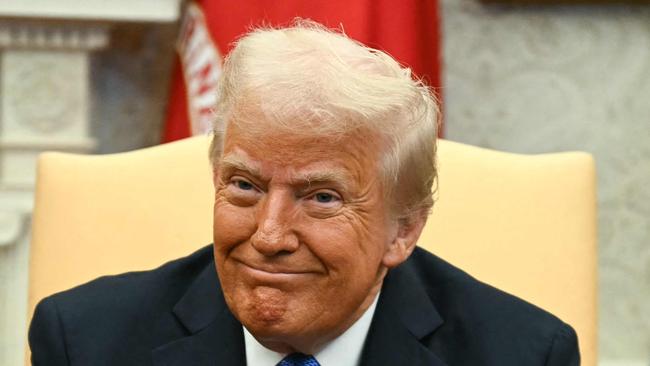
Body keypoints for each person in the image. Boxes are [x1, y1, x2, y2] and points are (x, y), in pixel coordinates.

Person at [29, 21, 580, 366]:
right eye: (244, 186)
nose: (268, 236)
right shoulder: (86, 342)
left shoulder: (521, 353)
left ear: (404, 229)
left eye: (321, 198)